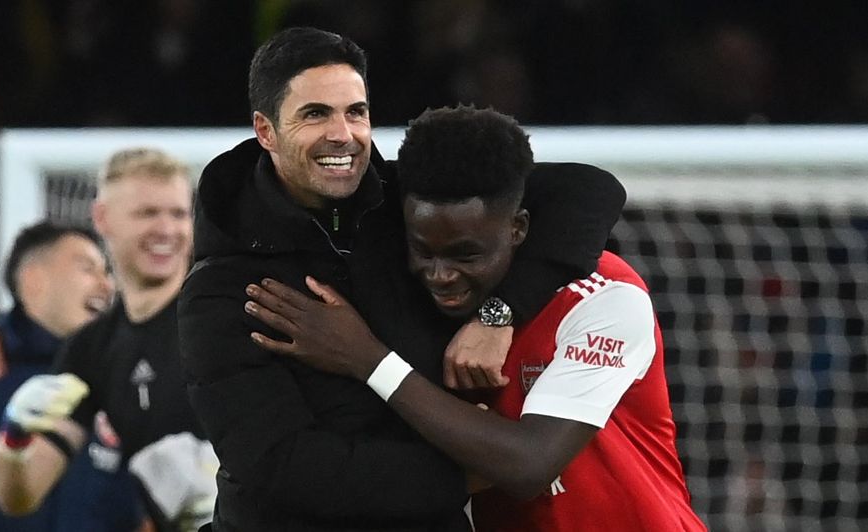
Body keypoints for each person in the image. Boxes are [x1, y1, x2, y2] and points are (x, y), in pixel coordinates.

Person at [178, 28, 626, 531]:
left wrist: (498, 314)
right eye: (315, 114)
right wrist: (466, 476)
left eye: (356, 112)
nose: (342, 134)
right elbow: (284, 467)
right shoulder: (224, 288)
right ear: (265, 131)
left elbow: (589, 190)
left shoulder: (405, 203)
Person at [243, 105, 707, 531]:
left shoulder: (603, 296)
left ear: (518, 229)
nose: (441, 275)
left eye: (466, 255)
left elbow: (529, 465)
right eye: (423, 251)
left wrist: (367, 359)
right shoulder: (417, 299)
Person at [0, 148, 214, 532]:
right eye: (147, 213)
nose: (167, 229)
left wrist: (234, 488)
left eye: (179, 214)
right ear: (102, 218)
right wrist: (14, 432)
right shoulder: (91, 348)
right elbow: (20, 497)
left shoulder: (227, 313)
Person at [0, 221, 148, 531]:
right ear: (34, 282)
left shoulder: (123, 389)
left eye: (107, 273)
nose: (107, 286)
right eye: (88, 268)